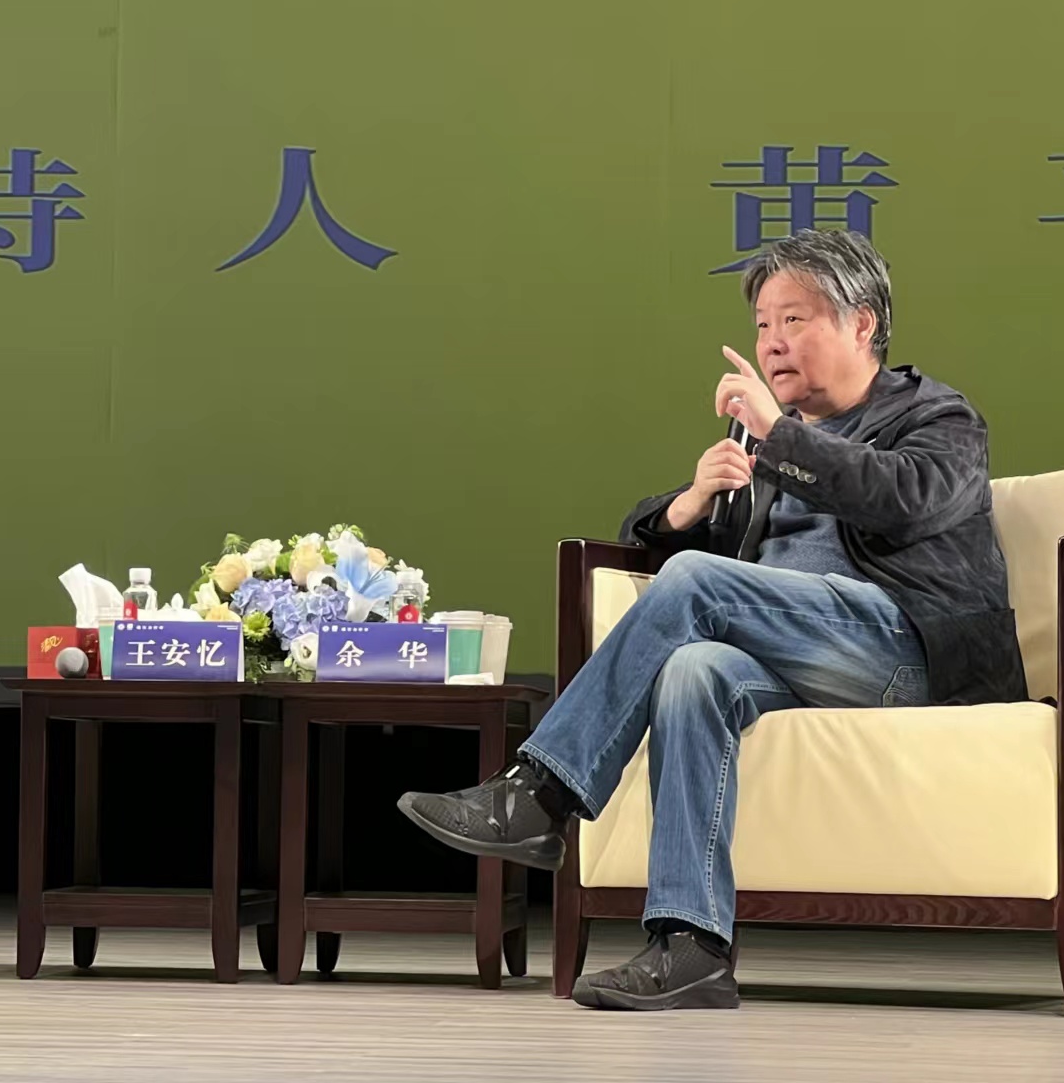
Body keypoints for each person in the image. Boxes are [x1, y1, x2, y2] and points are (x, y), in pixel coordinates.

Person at [399, 231, 1026, 1011]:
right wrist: (688, 505)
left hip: (909, 650)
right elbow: (681, 555)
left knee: (698, 585)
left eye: (794, 320)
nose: (772, 343)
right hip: (804, 654)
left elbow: (903, 499)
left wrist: (780, 438)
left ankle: (541, 793)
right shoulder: (763, 441)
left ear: (862, 323)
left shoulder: (940, 417)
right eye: (763, 325)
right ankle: (691, 946)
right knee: (694, 671)